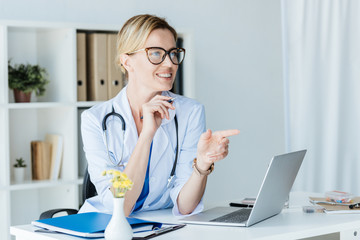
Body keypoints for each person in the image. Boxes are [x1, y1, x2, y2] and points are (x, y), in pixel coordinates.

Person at [80, 14, 239, 216]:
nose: (170, 64)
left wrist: (203, 163)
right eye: (156, 53)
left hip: (160, 223)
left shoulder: (190, 112)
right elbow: (120, 207)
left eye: (173, 53)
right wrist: (147, 135)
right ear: (127, 62)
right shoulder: (94, 119)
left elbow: (185, 206)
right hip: (106, 224)